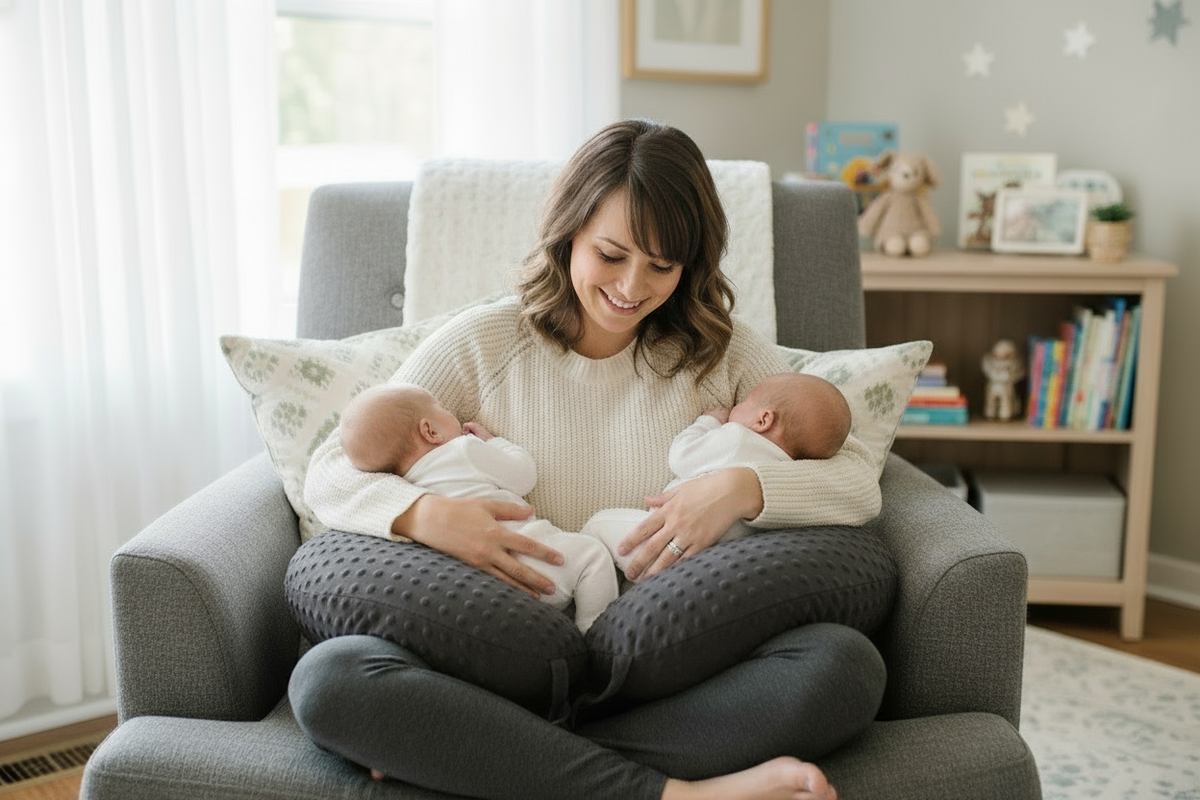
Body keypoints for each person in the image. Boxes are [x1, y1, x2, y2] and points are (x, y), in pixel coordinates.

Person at [292, 119, 886, 800]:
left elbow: (855, 480)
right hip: (498, 651)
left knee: (842, 668)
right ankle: (671, 791)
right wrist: (424, 515)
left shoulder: (722, 354)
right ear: (568, 231)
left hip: (661, 662)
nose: (633, 286)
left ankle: (482, 749)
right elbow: (331, 468)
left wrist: (740, 488)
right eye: (611, 254)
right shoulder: (482, 344)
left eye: (662, 266)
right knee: (331, 679)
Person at [338, 382, 619, 633]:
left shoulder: (406, 489)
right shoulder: (463, 449)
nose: (453, 414)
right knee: (593, 556)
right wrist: (492, 442)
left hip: (483, 589)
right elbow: (524, 476)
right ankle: (594, 632)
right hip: (533, 558)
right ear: (430, 430)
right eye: (443, 408)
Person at [582, 372, 853, 578]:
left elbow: (681, 456)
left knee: (597, 526)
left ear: (763, 420)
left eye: (745, 402)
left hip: (662, 548)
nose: (736, 406)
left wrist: (708, 422)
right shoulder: (793, 472)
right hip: (716, 571)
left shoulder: (736, 438)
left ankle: (588, 605)